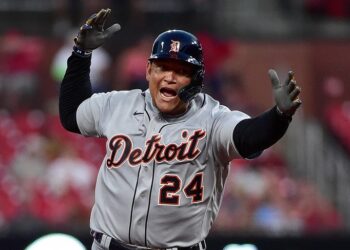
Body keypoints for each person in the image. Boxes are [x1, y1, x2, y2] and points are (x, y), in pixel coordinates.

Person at [59, 8, 302, 250]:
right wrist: (81, 54)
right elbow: (72, 115)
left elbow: (249, 137)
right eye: (162, 67)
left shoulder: (213, 119)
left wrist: (279, 116)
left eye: (181, 71)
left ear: (197, 80)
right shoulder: (118, 105)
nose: (169, 77)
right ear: (148, 71)